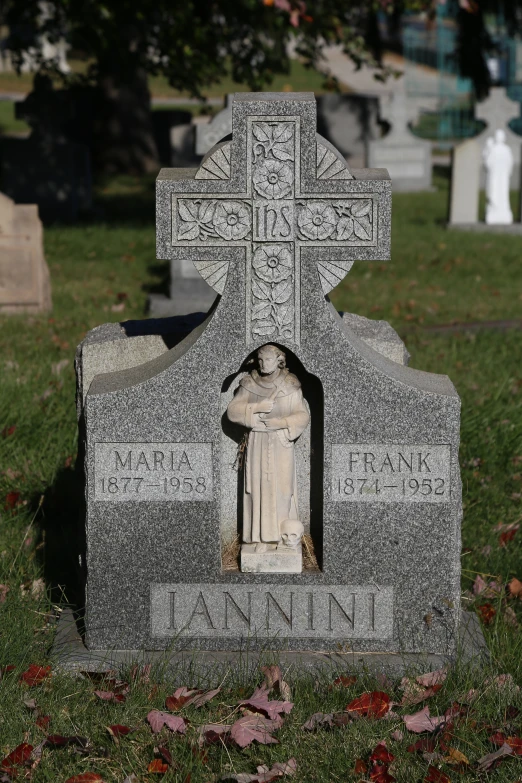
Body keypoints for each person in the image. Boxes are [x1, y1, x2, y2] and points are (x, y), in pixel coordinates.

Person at [227, 344, 309, 554]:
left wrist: (281, 422)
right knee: (257, 489)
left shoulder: (289, 384)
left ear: (279, 360)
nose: (264, 364)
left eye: (269, 360)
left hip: (281, 443)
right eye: (260, 360)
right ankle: (258, 538)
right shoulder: (249, 383)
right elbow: (233, 411)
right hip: (257, 443)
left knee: (281, 489)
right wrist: (255, 408)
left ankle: (282, 537)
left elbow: (302, 415)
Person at [483, 129, 514, 225]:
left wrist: (487, 151)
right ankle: (500, 210)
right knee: (502, 194)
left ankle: (496, 210)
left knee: (495, 192)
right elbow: (510, 164)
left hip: (496, 176)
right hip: (502, 177)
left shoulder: (494, 149)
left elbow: (488, 163)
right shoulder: (507, 149)